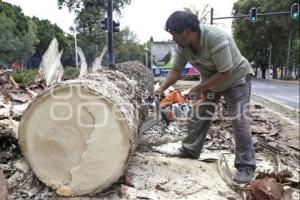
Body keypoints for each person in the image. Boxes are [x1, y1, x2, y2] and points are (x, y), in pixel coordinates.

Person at [154, 11, 256, 184]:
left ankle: (246, 166)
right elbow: (176, 70)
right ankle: (190, 150)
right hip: (211, 81)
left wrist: (199, 88)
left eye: (175, 34)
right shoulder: (182, 46)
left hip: (236, 80)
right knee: (199, 113)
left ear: (187, 31)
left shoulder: (216, 38)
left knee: (239, 121)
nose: (173, 39)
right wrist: (161, 88)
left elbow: (226, 72)